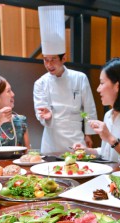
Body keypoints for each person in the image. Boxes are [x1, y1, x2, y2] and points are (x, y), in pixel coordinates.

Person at [33, 5, 97, 153]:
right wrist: (46, 116)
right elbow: (40, 111)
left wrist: (88, 133)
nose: (49, 65)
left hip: (76, 138)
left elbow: (87, 109)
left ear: (64, 58)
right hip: (51, 139)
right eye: (45, 60)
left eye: (53, 59)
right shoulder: (40, 83)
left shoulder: (79, 78)